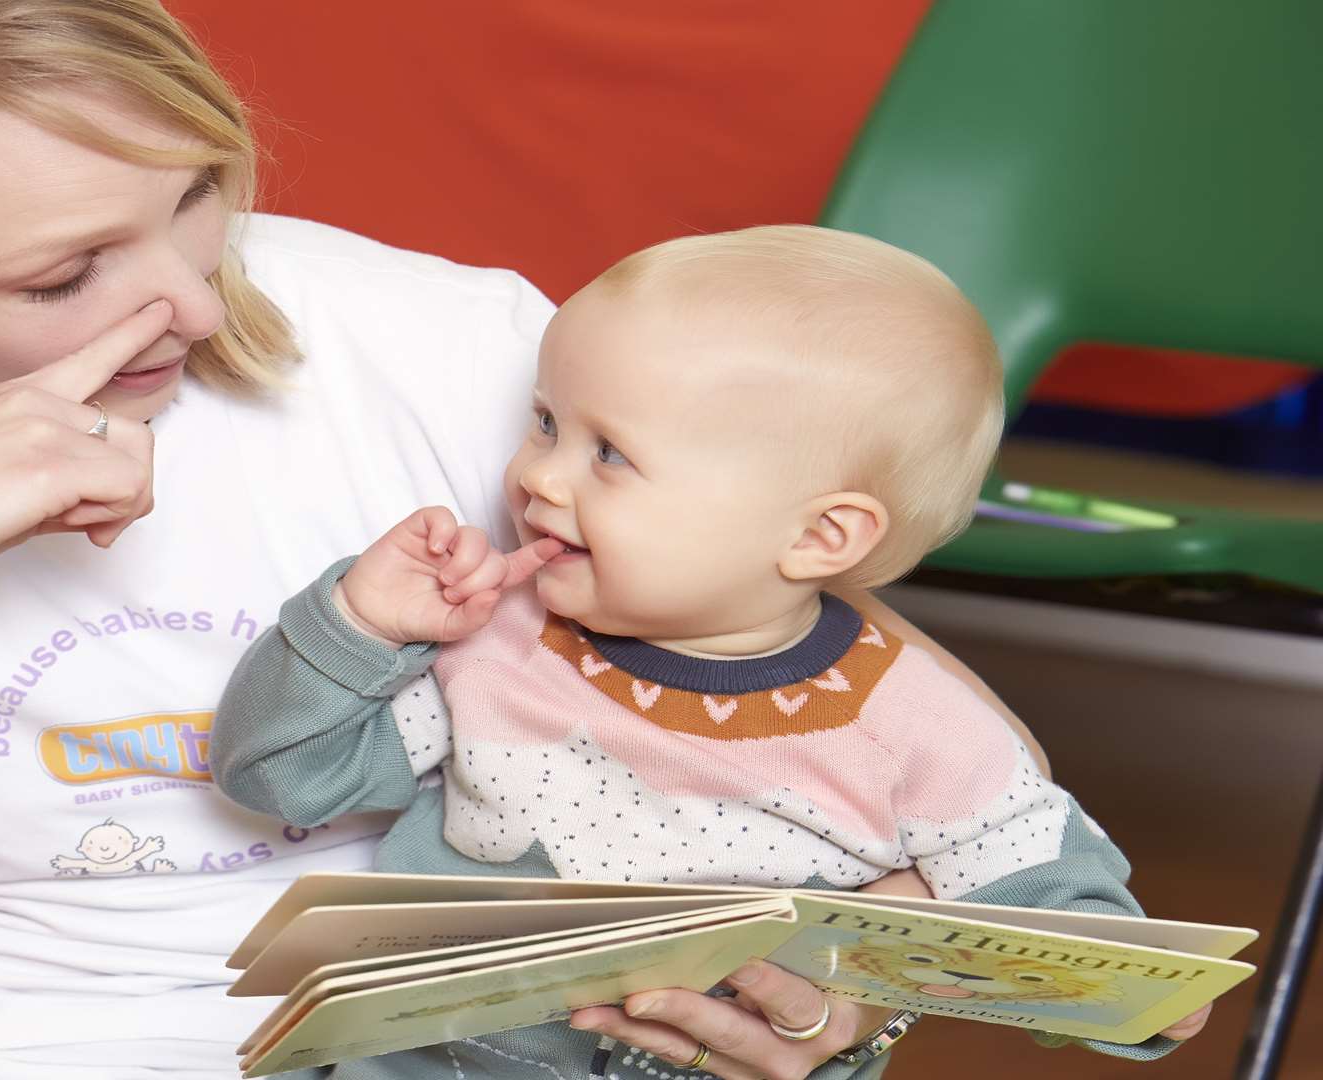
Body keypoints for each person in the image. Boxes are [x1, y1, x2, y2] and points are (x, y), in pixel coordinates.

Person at [0, 2, 1200, 1078]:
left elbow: (842, 677)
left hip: (500, 1042)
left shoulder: (458, 346)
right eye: (62, 275)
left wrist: (827, 997)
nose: (189, 296)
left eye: (196, 197)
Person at [211, 226, 1214, 1079]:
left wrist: (1138, 993)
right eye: (546, 423)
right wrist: (359, 625)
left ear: (821, 539)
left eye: (608, 454)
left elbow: (1049, 898)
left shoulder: (920, 726)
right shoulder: (498, 644)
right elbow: (279, 777)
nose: (537, 480)